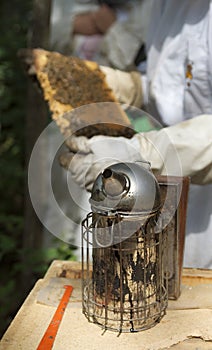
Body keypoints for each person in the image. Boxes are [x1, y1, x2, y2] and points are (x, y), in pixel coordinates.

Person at [63, 0, 212, 269]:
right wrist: (124, 86)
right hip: (168, 189)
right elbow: (164, 82)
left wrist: (143, 153)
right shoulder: (165, 6)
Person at [50, 0, 153, 70]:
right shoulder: (64, 5)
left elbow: (133, 63)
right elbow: (42, 41)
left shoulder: (151, 10)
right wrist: (73, 26)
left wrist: (112, 28)